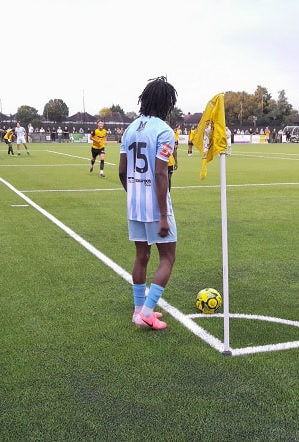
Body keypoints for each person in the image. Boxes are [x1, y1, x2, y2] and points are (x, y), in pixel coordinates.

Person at [118, 76, 178, 330]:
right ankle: (148, 312)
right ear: (167, 103)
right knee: (167, 258)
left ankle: (137, 310)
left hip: (134, 204)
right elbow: (161, 173)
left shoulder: (130, 129)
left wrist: (133, 192)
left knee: (141, 256)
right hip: (155, 206)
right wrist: (163, 215)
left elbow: (121, 171)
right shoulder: (164, 131)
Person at [168, 125, 179, 190]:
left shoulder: (171, 139)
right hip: (160, 162)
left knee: (168, 179)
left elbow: (174, 150)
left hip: (170, 163)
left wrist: (176, 162)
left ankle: (168, 194)